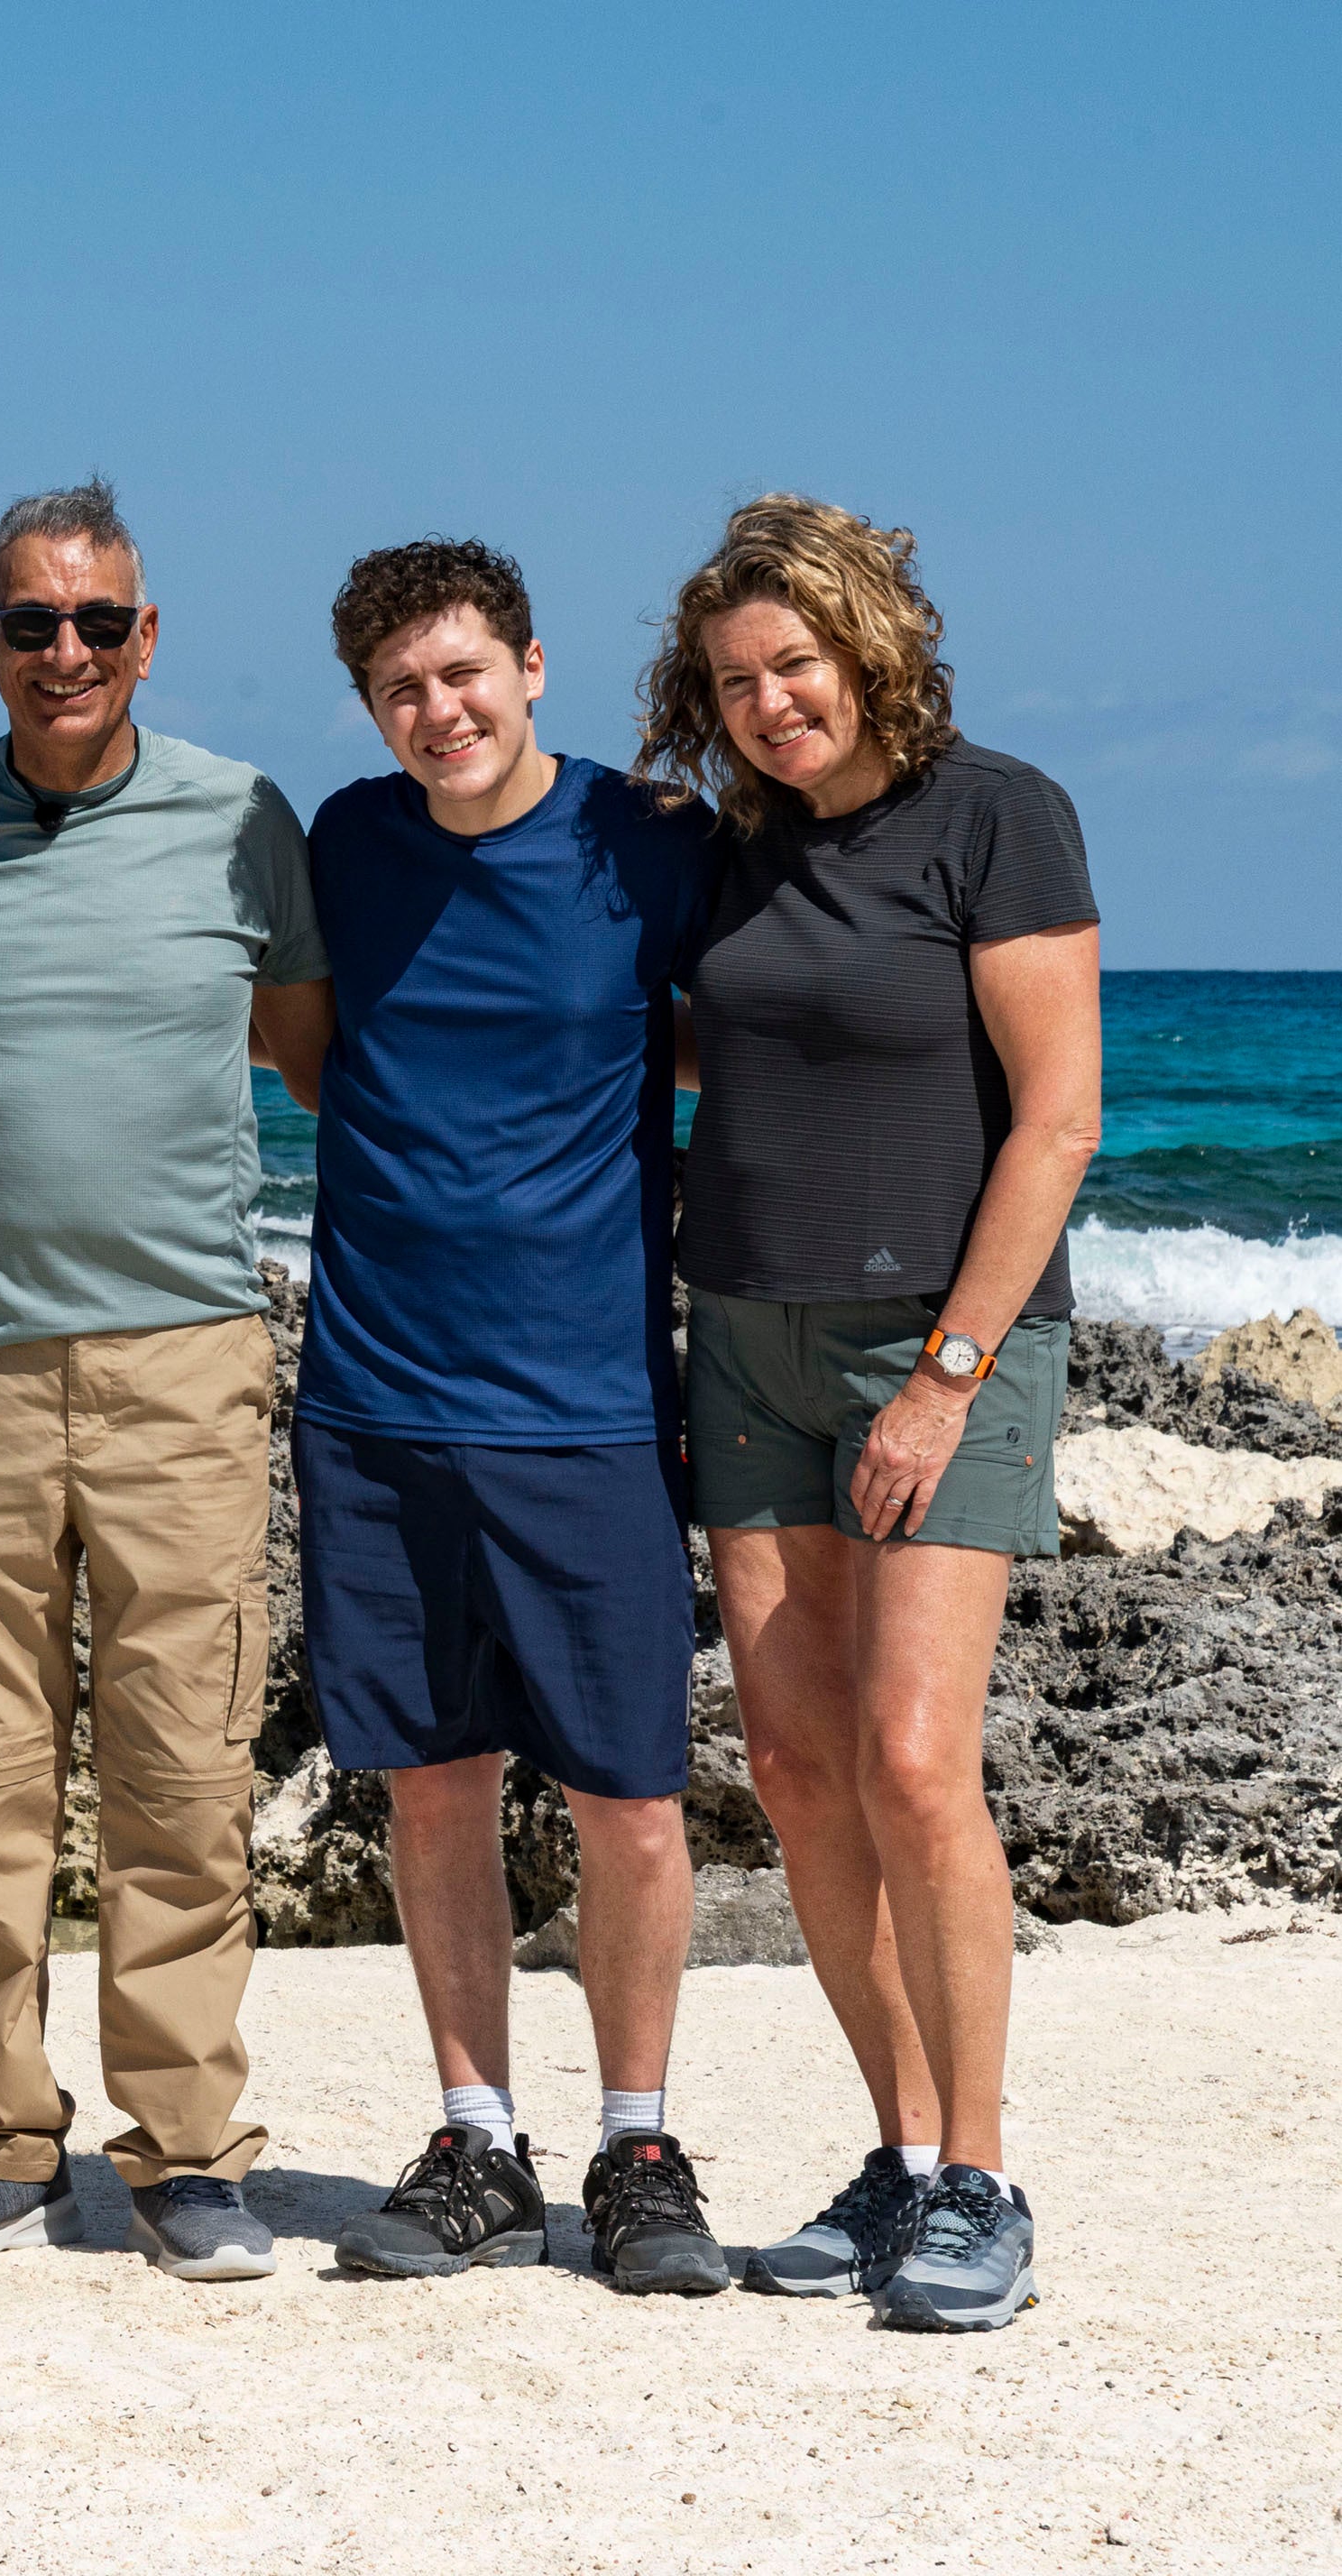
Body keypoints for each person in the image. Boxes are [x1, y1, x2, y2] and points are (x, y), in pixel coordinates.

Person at [0, 481, 332, 2281]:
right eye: (31, 624)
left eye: (98, 622)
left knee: (182, 1768)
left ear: (147, 636)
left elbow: (321, 1064)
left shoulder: (238, 824)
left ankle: (189, 2152)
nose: (65, 652)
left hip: (187, 1359)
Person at [641, 495, 1098, 2333]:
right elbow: (727, 1042)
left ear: (869, 648)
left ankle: (984, 2178)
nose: (769, 704)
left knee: (916, 1763)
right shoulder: (736, 852)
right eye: (737, 681)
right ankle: (899, 2158)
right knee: (805, 1769)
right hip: (744, 1336)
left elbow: (1056, 1117)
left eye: (796, 667)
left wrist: (946, 1378)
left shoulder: (1000, 814)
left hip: (942, 1343)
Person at [287, 541, 730, 2297]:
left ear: (532, 667)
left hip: (592, 1404)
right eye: (402, 690)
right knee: (433, 1785)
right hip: (376, 1396)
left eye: (464, 675)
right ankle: (480, 2140)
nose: (438, 711)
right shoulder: (345, 844)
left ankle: (636, 2145)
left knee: (631, 1797)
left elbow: (749, 1024)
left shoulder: (650, 844)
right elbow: (316, 1055)